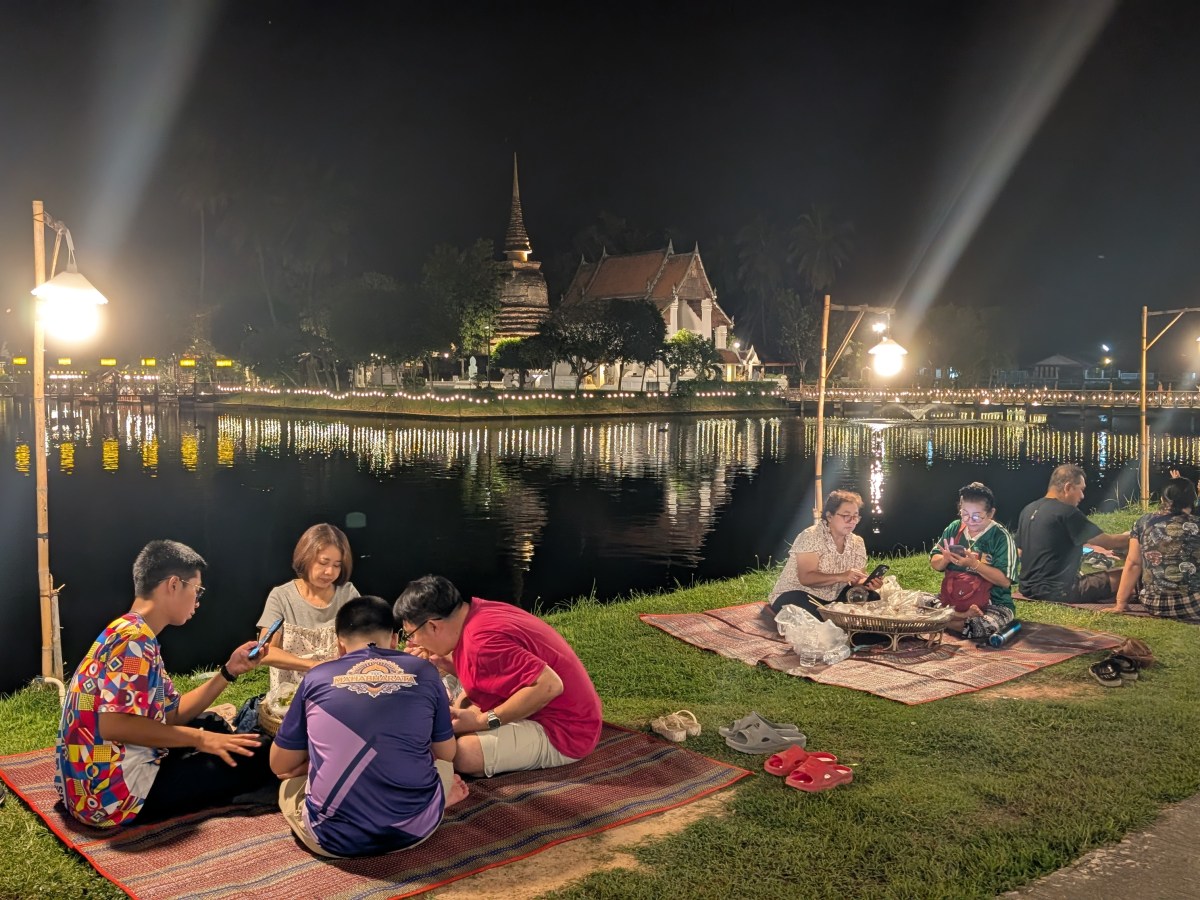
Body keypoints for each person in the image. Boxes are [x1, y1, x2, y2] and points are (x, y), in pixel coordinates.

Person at [55, 540, 272, 828]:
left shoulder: (127, 631)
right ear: (173, 584)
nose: (198, 601)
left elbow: (173, 713)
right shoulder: (134, 641)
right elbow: (114, 725)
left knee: (213, 724)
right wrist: (199, 740)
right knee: (260, 753)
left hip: (86, 788)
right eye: (197, 590)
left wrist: (229, 671)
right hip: (112, 799)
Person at [270, 596, 468, 858]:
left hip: (331, 840)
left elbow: (279, 765)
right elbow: (446, 753)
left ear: (340, 644)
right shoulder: (425, 672)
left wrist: (314, 762)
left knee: (288, 786)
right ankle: (435, 801)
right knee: (442, 766)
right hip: (416, 829)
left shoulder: (316, 678)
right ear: (394, 640)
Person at [394, 575, 603, 778]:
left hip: (567, 730)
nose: (412, 642)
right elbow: (490, 671)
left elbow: (550, 685)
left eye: (411, 634)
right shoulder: (478, 613)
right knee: (457, 711)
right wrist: (442, 661)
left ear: (433, 625)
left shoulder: (480, 643)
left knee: (464, 753)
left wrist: (483, 721)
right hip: (561, 709)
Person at [257, 523, 360, 693]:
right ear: (305, 557)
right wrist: (312, 665)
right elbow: (266, 652)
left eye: (337, 565)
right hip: (291, 694)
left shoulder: (348, 594)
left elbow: (365, 642)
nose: (330, 572)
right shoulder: (281, 596)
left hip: (338, 691)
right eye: (323, 562)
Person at [1015, 464, 1130, 602]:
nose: (1082, 496)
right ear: (1068, 487)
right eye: (1081, 489)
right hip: (1060, 591)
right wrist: (1136, 536)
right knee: (1126, 573)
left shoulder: (1028, 510)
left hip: (1027, 588)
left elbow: (1020, 551)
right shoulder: (1067, 512)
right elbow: (1108, 542)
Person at [766, 489, 884, 618]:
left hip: (833, 596)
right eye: (846, 515)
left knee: (873, 597)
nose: (852, 521)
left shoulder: (857, 542)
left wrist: (867, 583)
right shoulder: (811, 536)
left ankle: (836, 617)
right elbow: (806, 578)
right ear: (829, 516)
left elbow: (857, 579)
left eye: (855, 516)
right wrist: (841, 576)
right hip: (799, 593)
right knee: (817, 614)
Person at [929, 482, 1019, 639]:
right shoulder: (954, 528)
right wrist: (945, 559)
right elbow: (935, 561)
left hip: (992, 604)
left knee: (983, 625)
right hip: (953, 599)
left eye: (976, 516)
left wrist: (974, 564)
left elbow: (1004, 581)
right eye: (964, 514)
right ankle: (958, 617)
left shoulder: (1000, 537)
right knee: (917, 601)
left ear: (990, 513)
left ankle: (941, 621)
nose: (969, 520)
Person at [1114, 475, 1200, 619]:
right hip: (1194, 604)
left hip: (1154, 603)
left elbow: (1133, 563)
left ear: (1162, 499)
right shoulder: (1196, 524)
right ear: (1193, 500)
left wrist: (1120, 604)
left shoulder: (1143, 522)